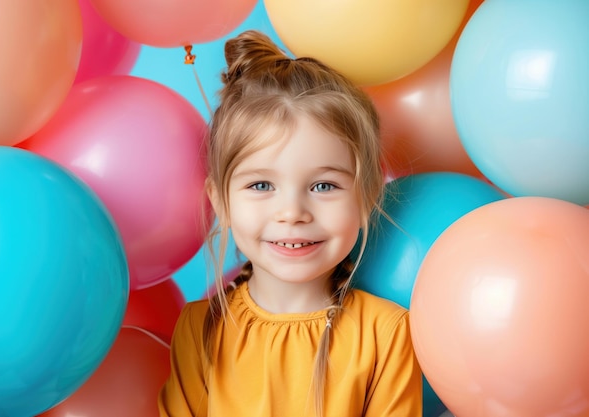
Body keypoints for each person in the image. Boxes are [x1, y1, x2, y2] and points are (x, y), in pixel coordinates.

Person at [158, 29, 422, 417]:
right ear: (222, 203)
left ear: (366, 197)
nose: (292, 212)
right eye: (262, 185)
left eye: (323, 185)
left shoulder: (387, 334)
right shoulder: (201, 331)